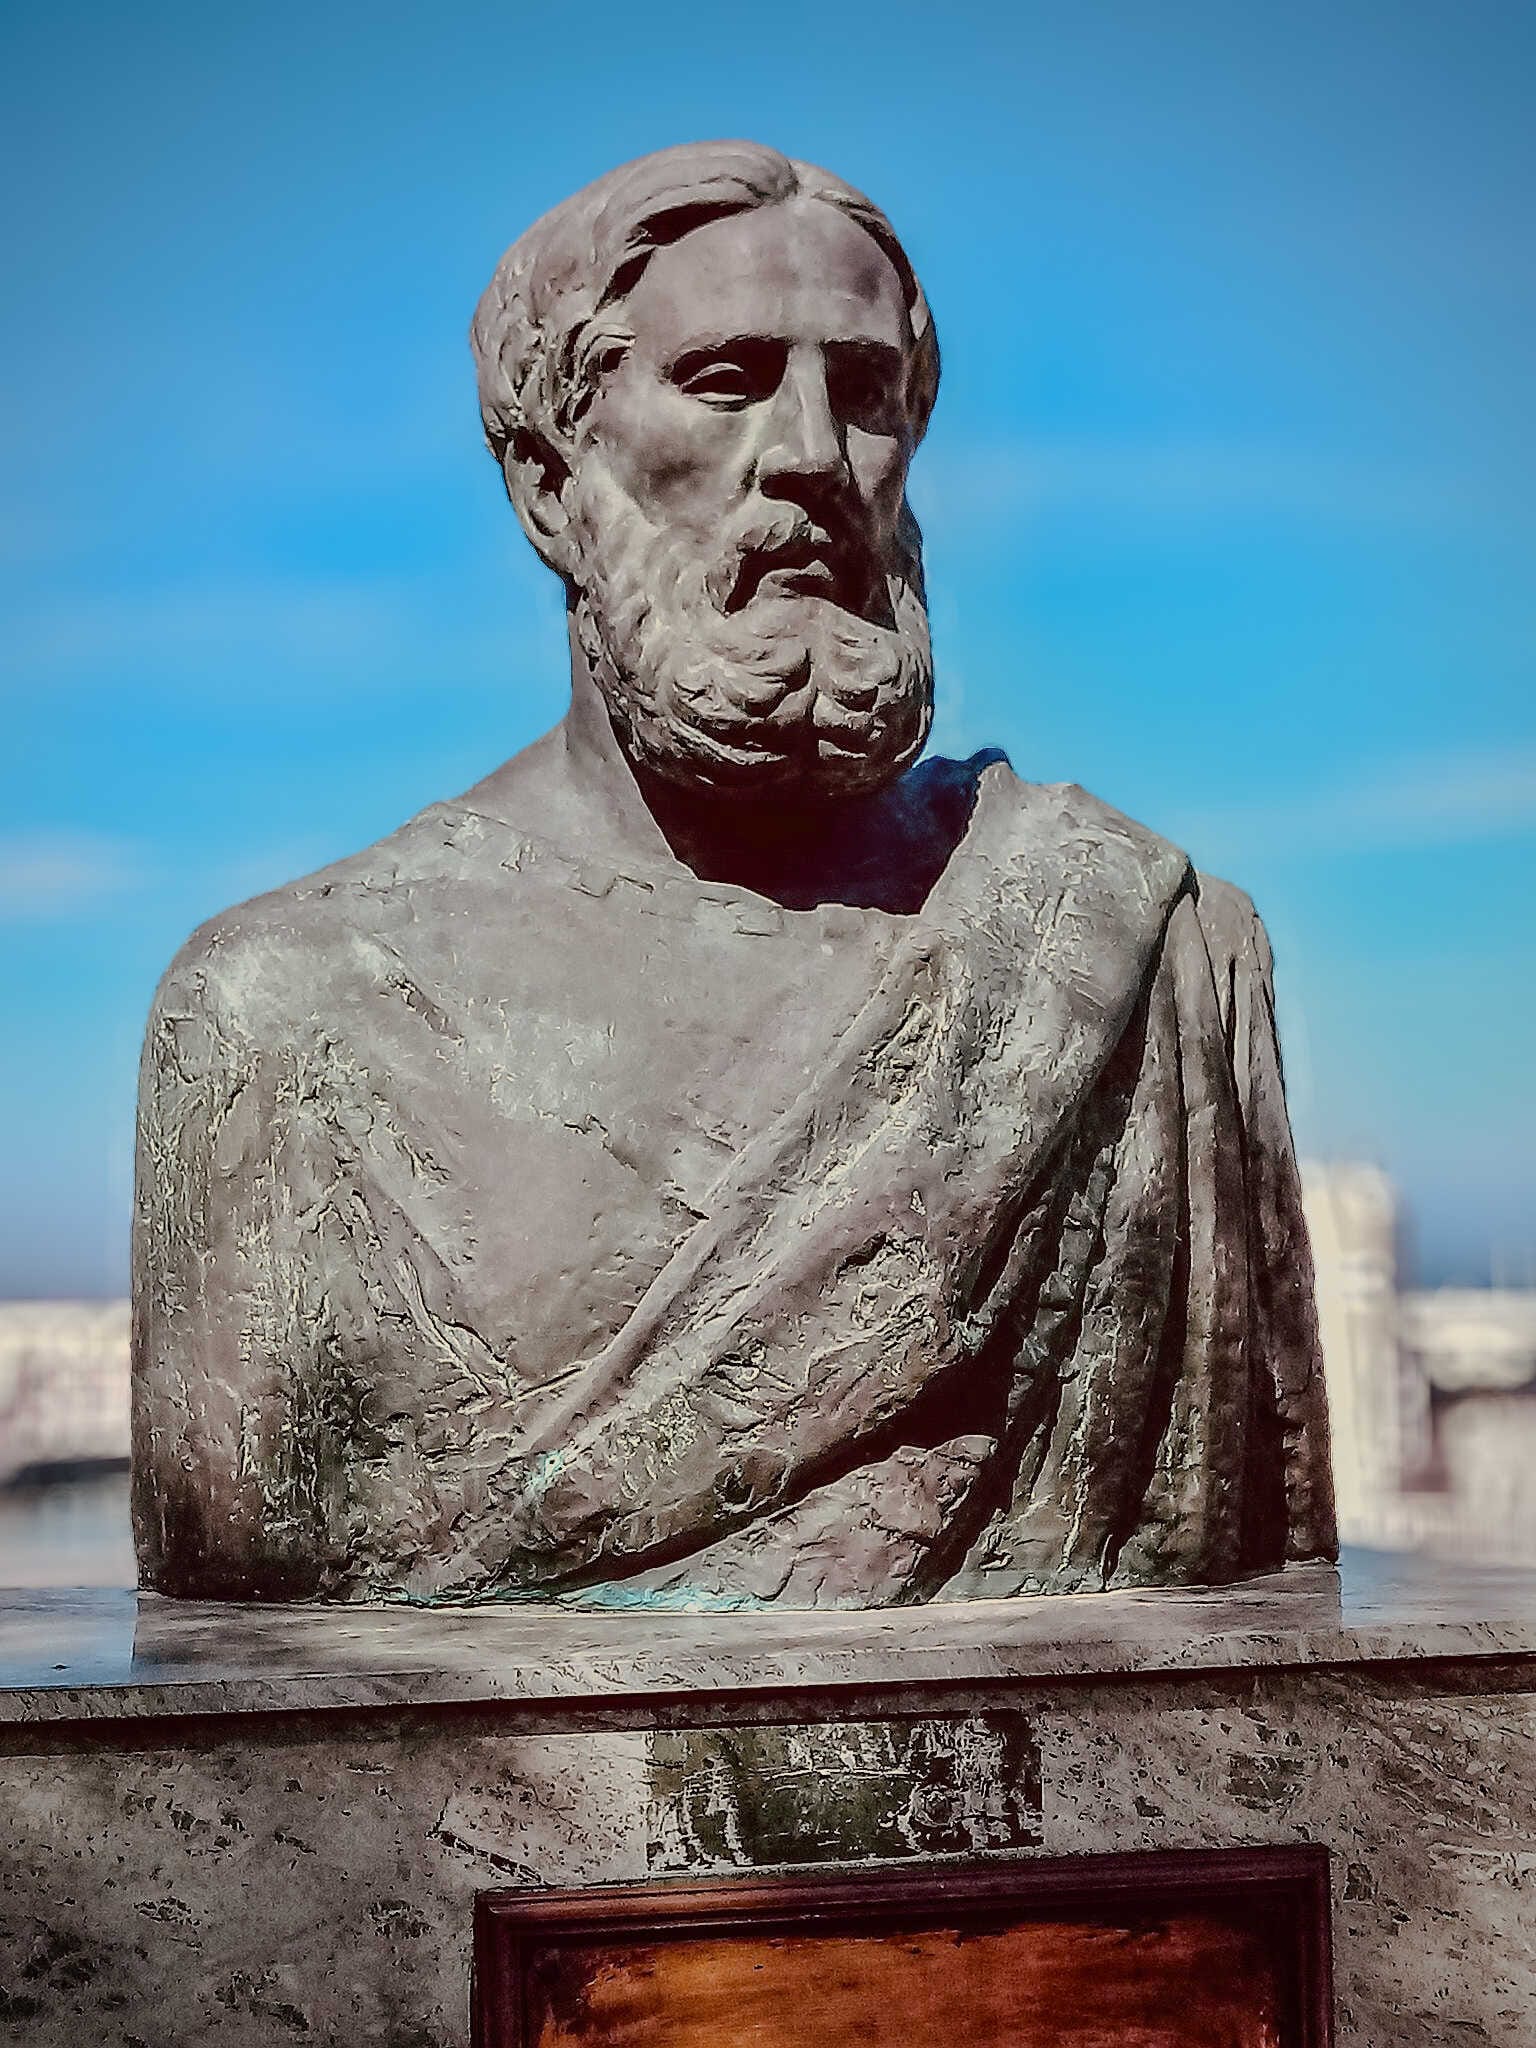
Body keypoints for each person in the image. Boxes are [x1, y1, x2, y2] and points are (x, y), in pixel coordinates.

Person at [131, 142, 1334, 1606]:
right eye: (726, 381)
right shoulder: (282, 1016)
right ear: (546, 483)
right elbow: (254, 1693)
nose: (814, 456)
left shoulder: (1143, 952)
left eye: (870, 393)